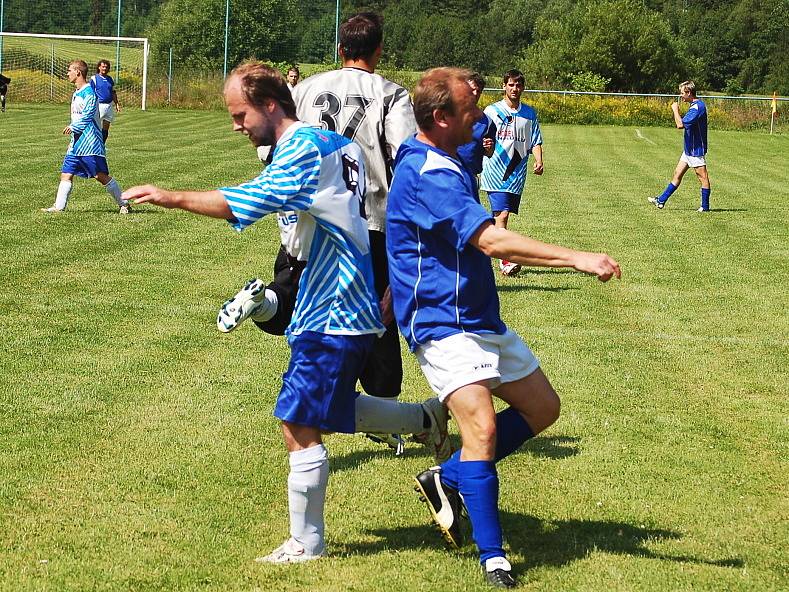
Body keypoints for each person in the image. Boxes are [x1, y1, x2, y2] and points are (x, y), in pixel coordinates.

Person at [122, 62, 448, 564]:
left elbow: (247, 201)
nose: (236, 125)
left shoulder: (299, 148)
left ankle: (307, 542)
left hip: (333, 305)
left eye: (239, 114)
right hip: (342, 294)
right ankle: (426, 418)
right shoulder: (334, 144)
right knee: (333, 405)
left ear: (270, 104)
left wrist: (171, 196)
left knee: (297, 421)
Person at [386, 67, 621, 588]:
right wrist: (578, 257)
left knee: (543, 408)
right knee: (483, 428)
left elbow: (477, 142)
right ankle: (494, 559)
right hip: (441, 322)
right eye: (473, 107)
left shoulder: (452, 148)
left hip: (478, 316)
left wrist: (471, 86)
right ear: (441, 118)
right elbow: (491, 242)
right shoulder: (429, 175)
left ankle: (446, 477)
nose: (483, 114)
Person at [218, 12, 420, 454]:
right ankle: (386, 416)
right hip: (363, 222)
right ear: (379, 49)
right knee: (372, 327)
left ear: (340, 49)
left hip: (303, 216)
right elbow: (407, 160)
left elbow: (272, 147)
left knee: (295, 307)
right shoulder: (390, 93)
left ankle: (268, 305)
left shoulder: (303, 89)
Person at [41, 60, 129, 214]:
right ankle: (58, 207)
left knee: (99, 175)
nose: (67, 73)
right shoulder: (76, 93)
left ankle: (124, 203)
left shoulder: (89, 93)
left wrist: (72, 127)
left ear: (78, 72)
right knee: (66, 173)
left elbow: (88, 115)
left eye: (70, 71)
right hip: (75, 143)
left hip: (89, 143)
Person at [480, 69, 543, 276]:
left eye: (518, 85)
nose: (514, 89)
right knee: (503, 215)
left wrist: (539, 160)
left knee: (496, 219)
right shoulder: (492, 111)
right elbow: (483, 140)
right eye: (511, 85)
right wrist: (486, 147)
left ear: (522, 87)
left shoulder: (529, 114)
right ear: (503, 86)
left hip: (517, 175)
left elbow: (535, 140)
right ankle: (505, 261)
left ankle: (477, 249)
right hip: (495, 171)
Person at [648, 80, 710, 212]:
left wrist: (675, 110)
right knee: (677, 174)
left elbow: (680, 125)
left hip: (695, 150)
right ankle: (661, 201)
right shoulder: (694, 106)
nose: (681, 96)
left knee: (703, 178)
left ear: (688, 92)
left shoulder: (697, 107)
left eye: (682, 93)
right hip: (688, 149)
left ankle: (705, 207)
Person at [457, 72, 496, 190]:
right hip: (446, 174)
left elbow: (489, 153)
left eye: (478, 91)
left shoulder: (487, 122)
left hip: (470, 177)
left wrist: (489, 148)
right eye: (472, 90)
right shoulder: (446, 115)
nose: (475, 94)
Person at [90, 59, 121, 143]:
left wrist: (117, 104)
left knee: (106, 126)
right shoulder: (94, 79)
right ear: (99, 67)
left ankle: (102, 145)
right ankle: (93, 144)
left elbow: (113, 92)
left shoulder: (110, 79)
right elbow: (91, 93)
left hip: (109, 105)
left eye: (106, 67)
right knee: (95, 126)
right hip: (99, 105)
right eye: (103, 67)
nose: (105, 68)